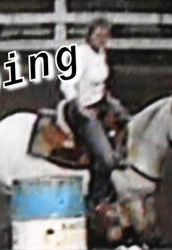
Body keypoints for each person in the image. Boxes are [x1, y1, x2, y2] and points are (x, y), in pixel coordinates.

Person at [59, 17, 131, 204]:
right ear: (90, 35)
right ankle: (97, 198)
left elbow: (99, 83)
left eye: (105, 35)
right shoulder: (80, 54)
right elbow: (66, 84)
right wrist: (80, 107)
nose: (101, 39)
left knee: (128, 123)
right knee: (107, 157)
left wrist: (111, 101)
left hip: (101, 103)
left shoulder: (102, 54)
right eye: (98, 35)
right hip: (81, 108)